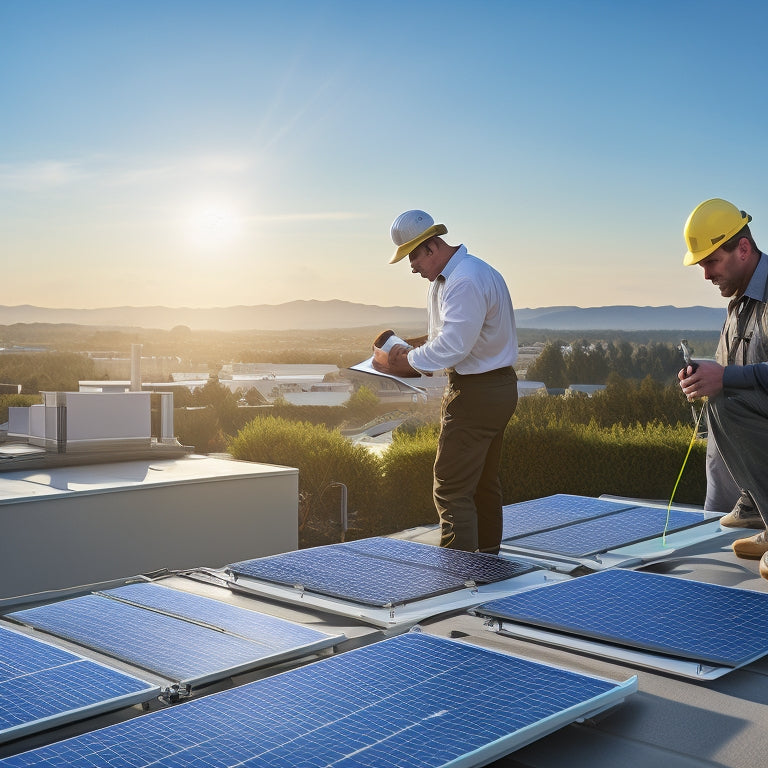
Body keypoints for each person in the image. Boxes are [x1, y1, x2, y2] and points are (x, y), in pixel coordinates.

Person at [372, 209, 518, 554]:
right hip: (496, 389)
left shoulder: (463, 281)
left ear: (433, 246)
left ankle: (459, 584)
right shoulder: (467, 273)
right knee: (483, 484)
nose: (411, 266)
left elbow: (453, 346)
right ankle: (487, 567)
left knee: (451, 488)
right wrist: (412, 346)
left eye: (413, 256)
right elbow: (450, 334)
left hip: (476, 394)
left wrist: (404, 362)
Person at [677, 198, 768, 580]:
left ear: (743, 249)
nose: (705, 274)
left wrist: (724, 379)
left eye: (711, 261)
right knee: (723, 398)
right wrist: (706, 377)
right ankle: (758, 507)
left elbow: (736, 385)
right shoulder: (739, 305)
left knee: (727, 399)